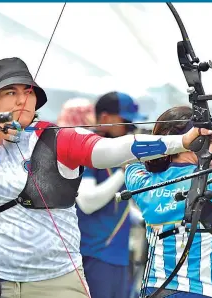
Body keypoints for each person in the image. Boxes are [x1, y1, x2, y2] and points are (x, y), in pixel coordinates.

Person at [0, 57, 212, 298]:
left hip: (55, 281)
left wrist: (180, 142)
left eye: (28, 92)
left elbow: (114, 148)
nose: (23, 100)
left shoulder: (59, 139)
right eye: (11, 92)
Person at [124, 106, 212, 298]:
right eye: (209, 135)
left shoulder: (140, 181)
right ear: (197, 141)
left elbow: (131, 158)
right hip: (201, 292)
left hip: (154, 291)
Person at [76, 91, 145, 298]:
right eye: (125, 121)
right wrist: (123, 172)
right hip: (95, 254)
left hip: (119, 256)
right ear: (105, 119)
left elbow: (117, 206)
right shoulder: (86, 149)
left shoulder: (117, 156)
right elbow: (87, 202)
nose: (130, 128)